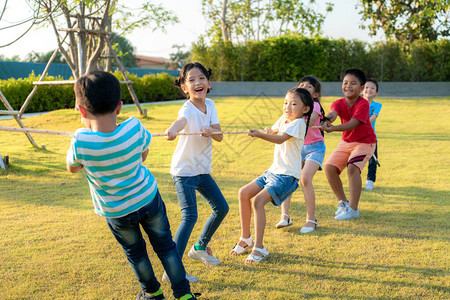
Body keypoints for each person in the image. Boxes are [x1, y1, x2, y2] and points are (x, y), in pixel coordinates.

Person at [66, 71, 197, 300]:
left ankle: (153, 293)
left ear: (81, 110)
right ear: (119, 107)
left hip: (116, 211)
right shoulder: (134, 127)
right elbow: (143, 155)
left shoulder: (81, 140)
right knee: (166, 246)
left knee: (136, 254)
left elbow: (73, 168)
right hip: (148, 199)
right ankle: (184, 295)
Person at [230, 88, 314, 263]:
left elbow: (281, 138)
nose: (287, 107)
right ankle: (246, 239)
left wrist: (260, 135)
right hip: (273, 171)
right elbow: (275, 131)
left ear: (305, 109)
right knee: (243, 193)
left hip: (287, 176)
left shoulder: (299, 123)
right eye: (285, 102)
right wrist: (268, 130)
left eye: (293, 104)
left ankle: (259, 248)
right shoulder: (285, 118)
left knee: (258, 201)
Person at [165, 62, 229, 281]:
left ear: (208, 83)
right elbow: (180, 121)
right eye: (191, 80)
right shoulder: (187, 108)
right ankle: (173, 270)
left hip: (201, 171)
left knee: (221, 207)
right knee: (190, 216)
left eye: (201, 78)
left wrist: (210, 130)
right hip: (184, 171)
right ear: (184, 88)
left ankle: (200, 247)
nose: (197, 83)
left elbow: (220, 135)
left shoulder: (210, 105)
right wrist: (172, 130)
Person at [320, 68, 376, 220]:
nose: (348, 86)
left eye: (353, 83)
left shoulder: (363, 104)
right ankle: (344, 203)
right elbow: (333, 114)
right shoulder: (338, 103)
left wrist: (332, 129)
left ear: (362, 88)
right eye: (345, 83)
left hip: (365, 142)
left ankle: (353, 209)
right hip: (346, 142)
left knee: (352, 169)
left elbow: (352, 124)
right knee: (329, 167)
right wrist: (325, 120)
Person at [275, 76, 326, 234]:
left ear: (315, 94)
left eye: (308, 87)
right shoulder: (293, 108)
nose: (304, 88)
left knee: (305, 179)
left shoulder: (314, 106)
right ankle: (285, 216)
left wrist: (292, 120)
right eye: (301, 86)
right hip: (299, 148)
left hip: (315, 149)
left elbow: (309, 123)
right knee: (289, 177)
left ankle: (311, 219)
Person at [362, 78, 382, 191]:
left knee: (373, 160)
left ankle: (370, 181)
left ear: (376, 93)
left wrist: (361, 121)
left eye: (372, 88)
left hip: (371, 137)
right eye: (366, 87)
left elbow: (373, 117)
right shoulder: (357, 103)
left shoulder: (377, 105)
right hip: (358, 138)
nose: (369, 90)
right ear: (361, 90)